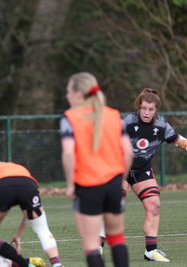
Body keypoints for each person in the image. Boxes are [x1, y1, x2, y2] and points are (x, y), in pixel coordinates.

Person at [60, 72, 134, 267]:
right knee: (117, 237)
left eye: (68, 91)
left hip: (87, 185)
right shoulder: (114, 115)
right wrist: (119, 180)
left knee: (92, 244)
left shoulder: (70, 117)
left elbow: (68, 154)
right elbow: (128, 153)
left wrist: (69, 185)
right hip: (113, 185)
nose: (67, 96)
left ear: (77, 93)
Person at [122, 88, 187, 262]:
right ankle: (97, 248)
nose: (146, 112)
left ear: (156, 109)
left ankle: (151, 252)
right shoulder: (127, 123)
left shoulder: (161, 125)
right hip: (119, 168)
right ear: (139, 106)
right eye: (143, 108)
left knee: (154, 205)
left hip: (142, 169)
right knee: (115, 207)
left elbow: (179, 141)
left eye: (150, 109)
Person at [0, 162, 63, 267]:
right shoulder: (20, 168)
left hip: (2, 186)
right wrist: (18, 235)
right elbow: (28, 210)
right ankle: (57, 264)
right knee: (42, 229)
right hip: (27, 184)